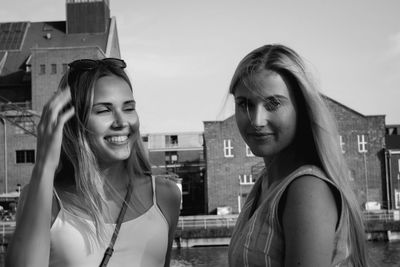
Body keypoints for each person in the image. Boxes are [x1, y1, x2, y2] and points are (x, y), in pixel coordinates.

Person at [6, 58, 181, 267]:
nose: (121, 122)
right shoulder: (42, 198)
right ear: (72, 122)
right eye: (103, 110)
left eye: (128, 108)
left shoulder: (165, 197)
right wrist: (44, 166)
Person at [227, 44, 369, 266]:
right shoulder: (266, 183)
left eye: (273, 103)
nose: (256, 120)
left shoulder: (307, 190)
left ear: (302, 109)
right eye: (244, 104)